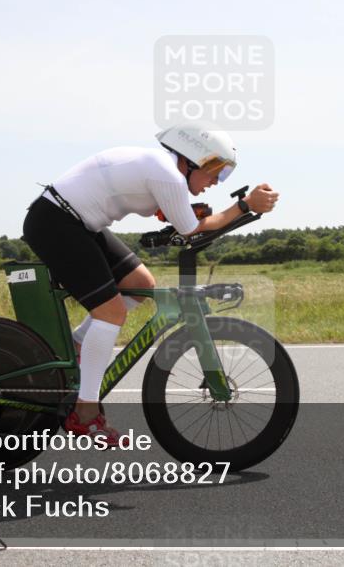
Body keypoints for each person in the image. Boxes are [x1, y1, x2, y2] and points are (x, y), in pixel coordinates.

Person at [21, 123, 279, 446]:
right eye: (216, 172)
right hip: (56, 221)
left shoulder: (164, 171)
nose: (215, 182)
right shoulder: (167, 175)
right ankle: (84, 413)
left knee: (139, 283)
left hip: (77, 221)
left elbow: (180, 220)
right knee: (111, 312)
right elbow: (191, 230)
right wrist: (244, 205)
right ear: (193, 160)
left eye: (223, 176)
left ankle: (77, 347)